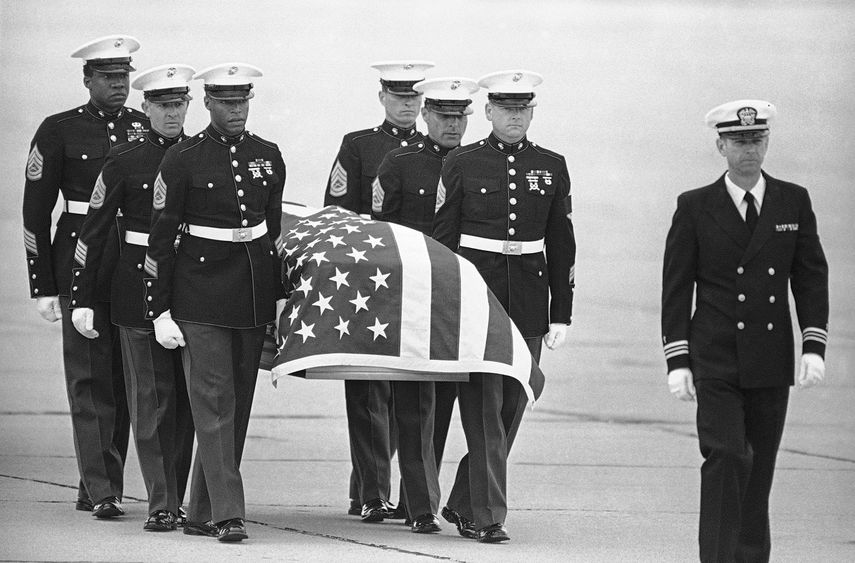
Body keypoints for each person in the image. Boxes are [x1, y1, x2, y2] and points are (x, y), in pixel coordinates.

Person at [661, 99, 829, 562]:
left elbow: (810, 275)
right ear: (720, 145)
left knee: (759, 472)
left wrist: (813, 345)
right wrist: (677, 360)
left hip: (770, 357)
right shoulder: (695, 206)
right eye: (738, 141)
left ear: (767, 141)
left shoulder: (792, 200)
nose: (748, 149)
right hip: (714, 356)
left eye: (756, 140)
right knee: (728, 456)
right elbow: (676, 288)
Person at [143, 63, 286, 542]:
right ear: (207, 104)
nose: (237, 110)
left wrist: (279, 299)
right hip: (199, 295)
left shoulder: (269, 155)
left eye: (242, 100)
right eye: (227, 102)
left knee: (236, 407)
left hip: (250, 298)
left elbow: (271, 234)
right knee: (213, 403)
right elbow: (161, 240)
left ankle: (202, 512)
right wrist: (159, 309)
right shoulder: (183, 158)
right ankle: (229, 513)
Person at [431, 70, 575, 543]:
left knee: (515, 401)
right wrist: (444, 302)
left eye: (523, 110)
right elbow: (444, 238)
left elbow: (561, 241)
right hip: (479, 295)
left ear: (531, 113)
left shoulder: (551, 165)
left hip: (530, 297)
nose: (515, 117)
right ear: (489, 112)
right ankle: (488, 515)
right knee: (483, 404)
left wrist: (561, 311)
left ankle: (462, 501)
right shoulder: (463, 162)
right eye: (506, 109)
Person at [22, 34, 147, 518]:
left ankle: (96, 482)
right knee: (90, 375)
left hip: (131, 261)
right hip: (77, 257)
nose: (119, 85)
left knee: (120, 375)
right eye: (109, 78)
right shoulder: (58, 130)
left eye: (124, 77)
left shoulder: (145, 126)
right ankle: (103, 489)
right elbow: (35, 212)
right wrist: (43, 284)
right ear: (88, 80)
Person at [68, 64, 197, 532]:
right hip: (136, 286)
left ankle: (179, 496)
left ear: (188, 106)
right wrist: (81, 296)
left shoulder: (202, 154)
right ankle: (163, 503)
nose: (171, 113)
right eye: (162, 105)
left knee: (186, 404)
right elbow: (94, 231)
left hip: (192, 288)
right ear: (145, 109)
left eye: (178, 104)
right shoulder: (124, 159)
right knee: (151, 400)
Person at [324, 60, 434, 522]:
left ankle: (408, 496)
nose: (406, 105)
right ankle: (371, 492)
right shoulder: (360, 146)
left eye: (413, 98)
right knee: (369, 392)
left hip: (423, 283)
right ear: (383, 97)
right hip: (372, 282)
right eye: (398, 97)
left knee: (414, 394)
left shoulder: (444, 153)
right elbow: (337, 213)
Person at [372, 77, 478, 533]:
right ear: (427, 116)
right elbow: (381, 234)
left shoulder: (478, 164)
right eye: (444, 116)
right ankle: (419, 505)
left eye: (460, 117)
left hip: (463, 299)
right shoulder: (398, 163)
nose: (452, 125)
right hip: (413, 299)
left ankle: (437, 496)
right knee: (416, 406)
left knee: (460, 403)